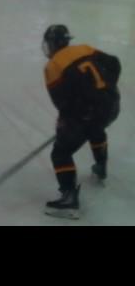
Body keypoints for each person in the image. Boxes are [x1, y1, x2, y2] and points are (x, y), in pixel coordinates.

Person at [42, 25, 121, 219]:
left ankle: (69, 200)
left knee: (61, 152)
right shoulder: (85, 48)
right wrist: (105, 90)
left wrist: (65, 123)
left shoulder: (53, 66)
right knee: (96, 128)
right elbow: (114, 63)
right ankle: (101, 166)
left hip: (87, 114)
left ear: (51, 44)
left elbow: (63, 102)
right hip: (111, 105)